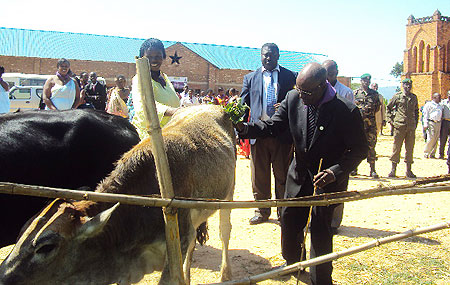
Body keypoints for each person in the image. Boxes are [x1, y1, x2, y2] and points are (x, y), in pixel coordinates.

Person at [236, 63, 368, 284]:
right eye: (298, 90)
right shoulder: (294, 98)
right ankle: (293, 263)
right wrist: (246, 129)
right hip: (298, 173)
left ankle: (320, 276)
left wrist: (335, 172)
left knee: (320, 229)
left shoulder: (347, 111)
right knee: (289, 219)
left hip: (327, 180)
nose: (301, 95)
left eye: (306, 92)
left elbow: (360, 150)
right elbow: (274, 126)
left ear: (321, 86)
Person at [240, 43, 296, 225]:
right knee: (259, 176)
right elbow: (243, 104)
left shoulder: (290, 76)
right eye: (265, 55)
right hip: (258, 133)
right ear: (261, 56)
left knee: (282, 175)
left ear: (278, 55)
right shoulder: (250, 78)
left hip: (281, 134)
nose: (268, 58)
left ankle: (283, 211)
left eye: (271, 55)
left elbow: (297, 102)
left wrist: (286, 108)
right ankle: (262, 211)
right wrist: (238, 127)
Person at [131, 38, 180, 140]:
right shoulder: (140, 79)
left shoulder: (164, 77)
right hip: (149, 137)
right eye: (149, 57)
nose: (154, 60)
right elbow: (143, 107)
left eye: (158, 56)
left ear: (163, 57)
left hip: (169, 133)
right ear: (142, 58)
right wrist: (174, 111)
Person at [386, 78, 419, 178]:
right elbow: (388, 108)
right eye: (406, 85)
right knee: (396, 148)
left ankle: (409, 171)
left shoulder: (414, 97)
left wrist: (415, 123)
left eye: (410, 85)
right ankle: (393, 170)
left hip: (410, 127)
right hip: (399, 126)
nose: (408, 87)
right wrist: (391, 121)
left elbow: (416, 111)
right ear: (403, 85)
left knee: (409, 149)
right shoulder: (397, 96)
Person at [353, 73, 381, 178]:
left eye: (368, 81)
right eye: (364, 80)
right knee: (356, 146)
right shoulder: (355, 93)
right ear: (361, 81)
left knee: (371, 147)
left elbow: (377, 108)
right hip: (358, 126)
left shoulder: (374, 94)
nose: (366, 82)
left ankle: (372, 170)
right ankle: (354, 168)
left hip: (370, 126)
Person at [423, 93, 443, 158]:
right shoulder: (429, 104)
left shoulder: (440, 105)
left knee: (436, 138)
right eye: (438, 97)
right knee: (431, 138)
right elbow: (425, 114)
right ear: (434, 98)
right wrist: (425, 124)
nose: (440, 98)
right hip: (431, 122)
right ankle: (426, 152)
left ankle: (433, 153)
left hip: (438, 123)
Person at [438, 91, 450, 159]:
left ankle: (449, 154)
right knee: (443, 139)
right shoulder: (443, 103)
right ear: (447, 95)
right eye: (449, 94)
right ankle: (441, 154)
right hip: (445, 122)